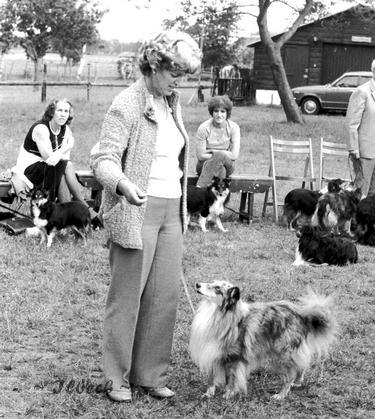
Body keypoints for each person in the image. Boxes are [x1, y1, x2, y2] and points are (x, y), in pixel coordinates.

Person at [91, 30, 202, 403]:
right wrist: (122, 184)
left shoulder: (172, 101)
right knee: (127, 297)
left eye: (184, 75)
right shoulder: (127, 103)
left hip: (173, 209)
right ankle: (116, 378)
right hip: (137, 209)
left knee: (163, 296)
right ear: (154, 65)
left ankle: (150, 374)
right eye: (175, 73)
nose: (179, 81)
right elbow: (103, 158)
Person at [12, 98, 98, 219]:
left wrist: (63, 152)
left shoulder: (65, 129)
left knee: (63, 171)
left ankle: (68, 217)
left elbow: (64, 159)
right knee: (66, 166)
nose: (63, 114)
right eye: (59, 110)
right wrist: (68, 146)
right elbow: (50, 159)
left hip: (50, 168)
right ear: (52, 112)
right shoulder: (41, 128)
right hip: (29, 171)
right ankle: (82, 206)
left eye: (66, 111)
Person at [345, 58, 375, 197]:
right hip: (364, 149)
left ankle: (370, 211)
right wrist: (353, 148)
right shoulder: (361, 92)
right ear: (374, 73)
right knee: (361, 190)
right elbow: (351, 123)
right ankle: (357, 212)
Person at [195, 95, 240, 188]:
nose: (219, 115)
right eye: (216, 111)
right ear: (212, 112)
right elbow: (201, 156)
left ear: (227, 113)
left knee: (221, 161)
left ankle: (200, 188)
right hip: (204, 164)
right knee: (221, 169)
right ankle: (220, 197)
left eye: (222, 111)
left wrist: (214, 152)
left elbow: (234, 156)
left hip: (228, 164)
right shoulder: (204, 128)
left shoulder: (233, 128)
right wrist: (220, 155)